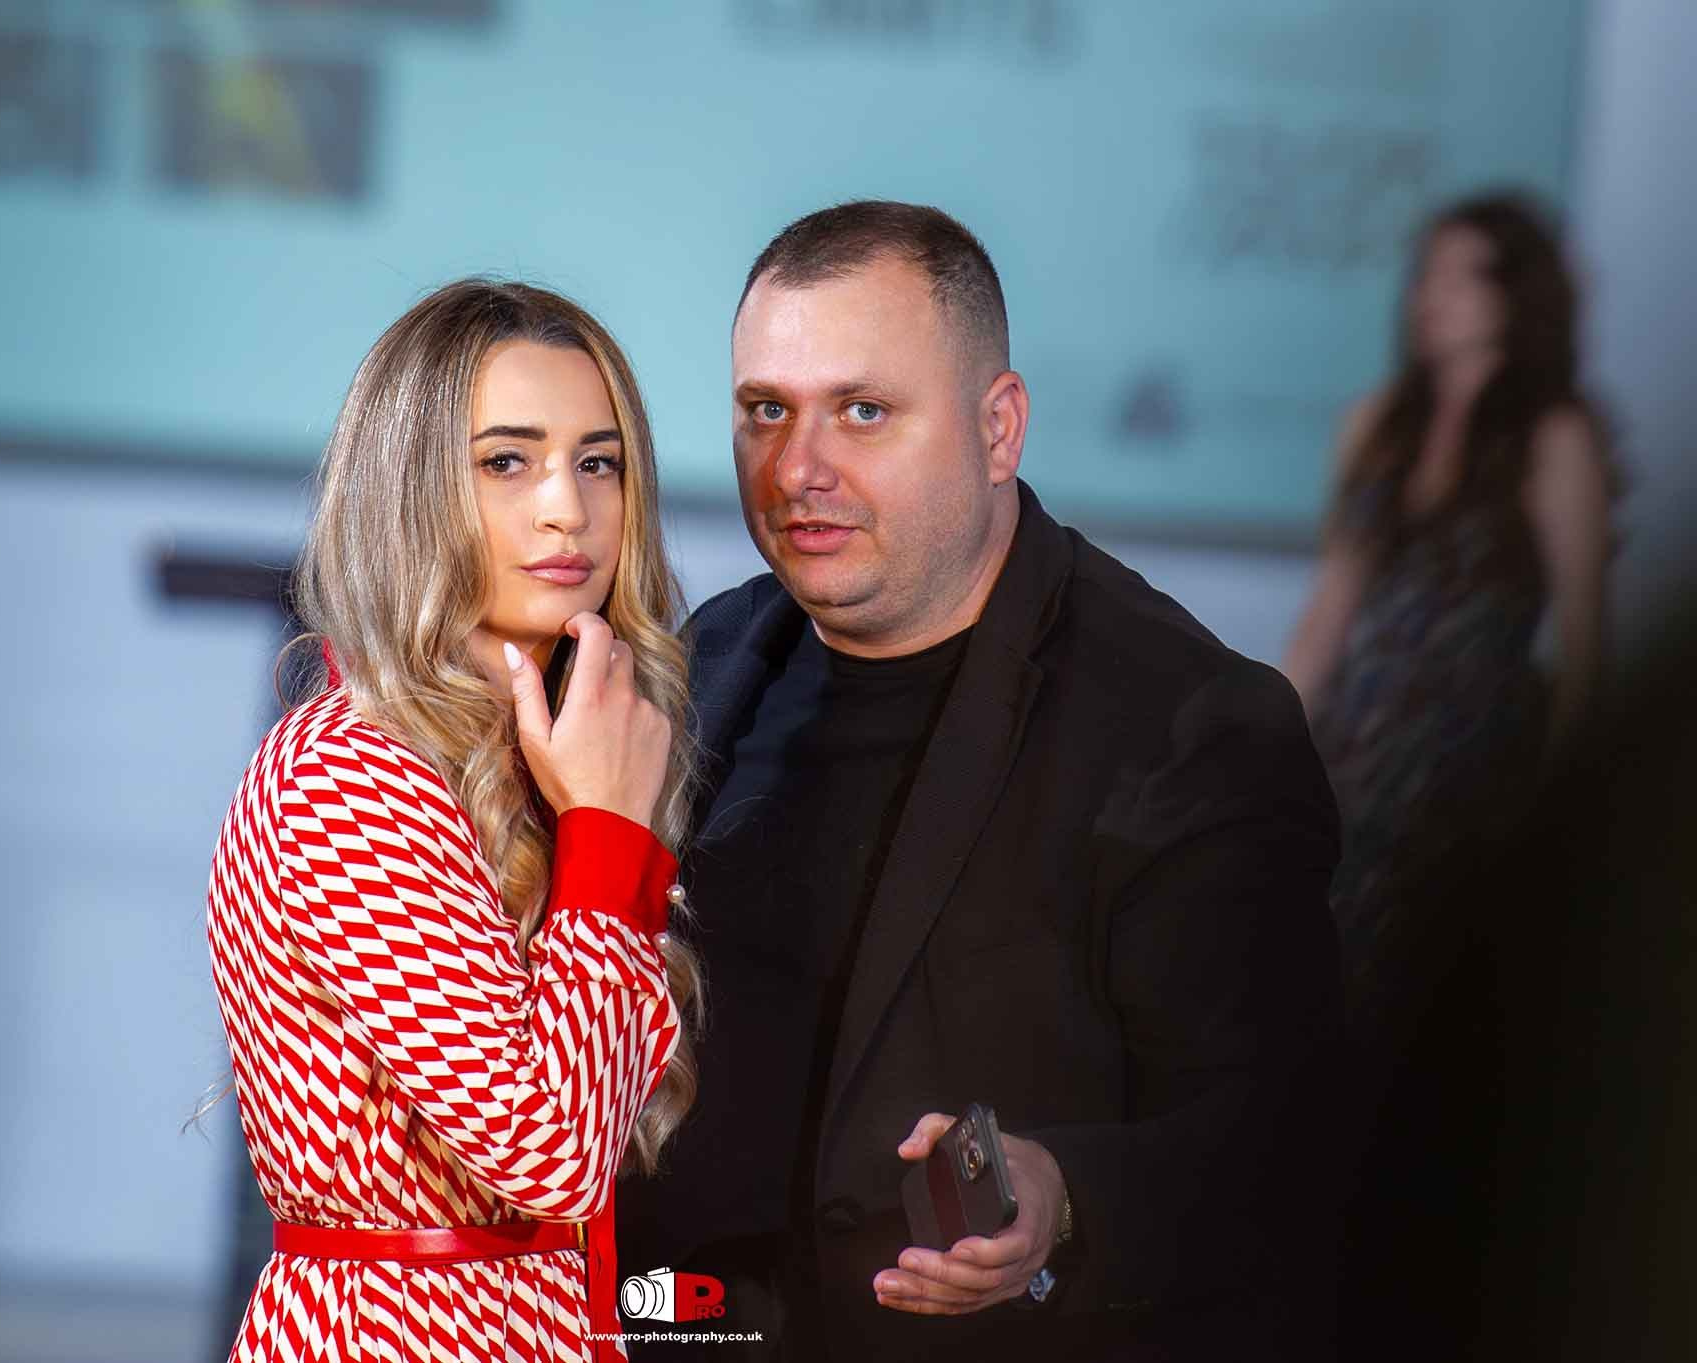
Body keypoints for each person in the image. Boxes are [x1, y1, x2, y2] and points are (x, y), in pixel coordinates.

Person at [615, 201, 1344, 1361]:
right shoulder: (703, 659)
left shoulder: (1186, 726)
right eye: (766, 411)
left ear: (997, 429)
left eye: (862, 412)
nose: (798, 468)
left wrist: (1065, 1196)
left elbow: (1292, 1146)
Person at [206, 279, 705, 1363]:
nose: (566, 507)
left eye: (598, 461)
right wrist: (607, 840)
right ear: (408, 491)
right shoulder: (350, 772)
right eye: (506, 462)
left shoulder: (543, 761)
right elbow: (549, 1156)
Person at [1281, 192, 1617, 1048]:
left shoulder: (1551, 437)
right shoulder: (1379, 423)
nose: (1431, 294)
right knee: (1313, 977)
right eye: (1425, 273)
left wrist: (1567, 799)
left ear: (1513, 294)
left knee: (1424, 1006)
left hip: (1467, 763)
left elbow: (1583, 634)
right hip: (1359, 746)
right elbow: (1333, 605)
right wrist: (1270, 738)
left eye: (1459, 275)